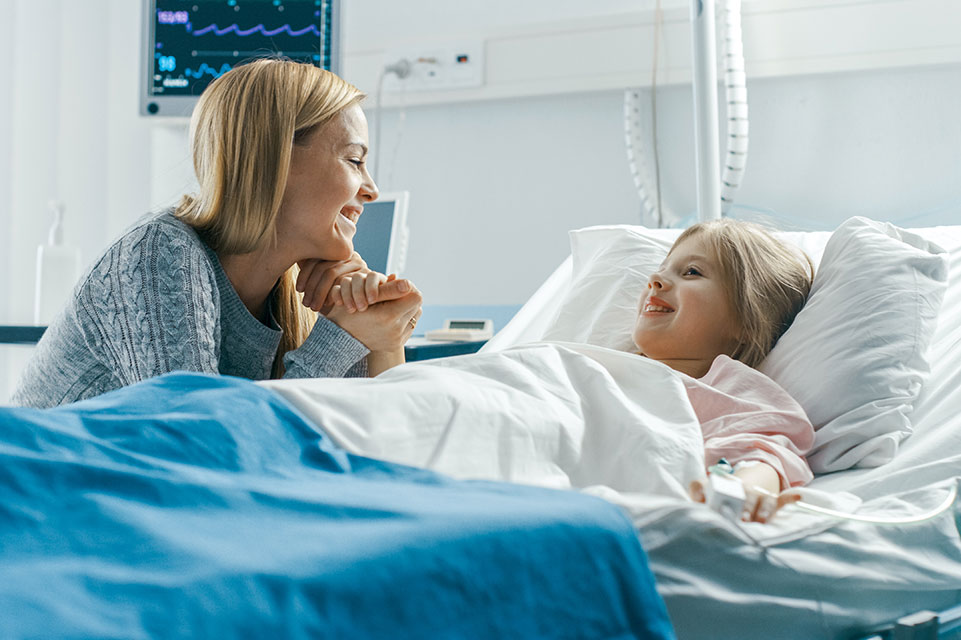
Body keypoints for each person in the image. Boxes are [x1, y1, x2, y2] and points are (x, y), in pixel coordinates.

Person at [13, 59, 422, 409]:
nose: (371, 189)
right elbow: (201, 447)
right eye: (354, 159)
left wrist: (382, 337)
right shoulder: (160, 255)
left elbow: (360, 444)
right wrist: (342, 336)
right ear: (275, 161)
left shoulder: (295, 295)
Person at [631, 218, 815, 522]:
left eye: (691, 272)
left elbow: (766, 453)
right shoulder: (602, 366)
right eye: (662, 269)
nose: (655, 279)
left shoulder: (724, 386)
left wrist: (746, 487)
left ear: (744, 320)